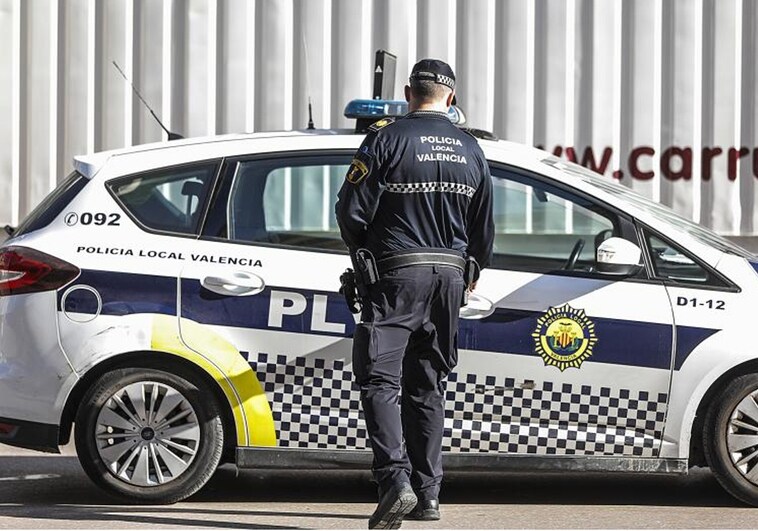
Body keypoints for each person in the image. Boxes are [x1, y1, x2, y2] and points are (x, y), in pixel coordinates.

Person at [335, 58, 494, 530]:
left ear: (408, 92)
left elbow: (350, 210)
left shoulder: (386, 138)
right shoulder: (471, 150)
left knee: (380, 381)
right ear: (451, 97)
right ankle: (428, 496)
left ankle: (394, 482)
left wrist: (362, 257)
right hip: (449, 280)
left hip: (396, 277)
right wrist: (470, 272)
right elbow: (483, 230)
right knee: (428, 385)